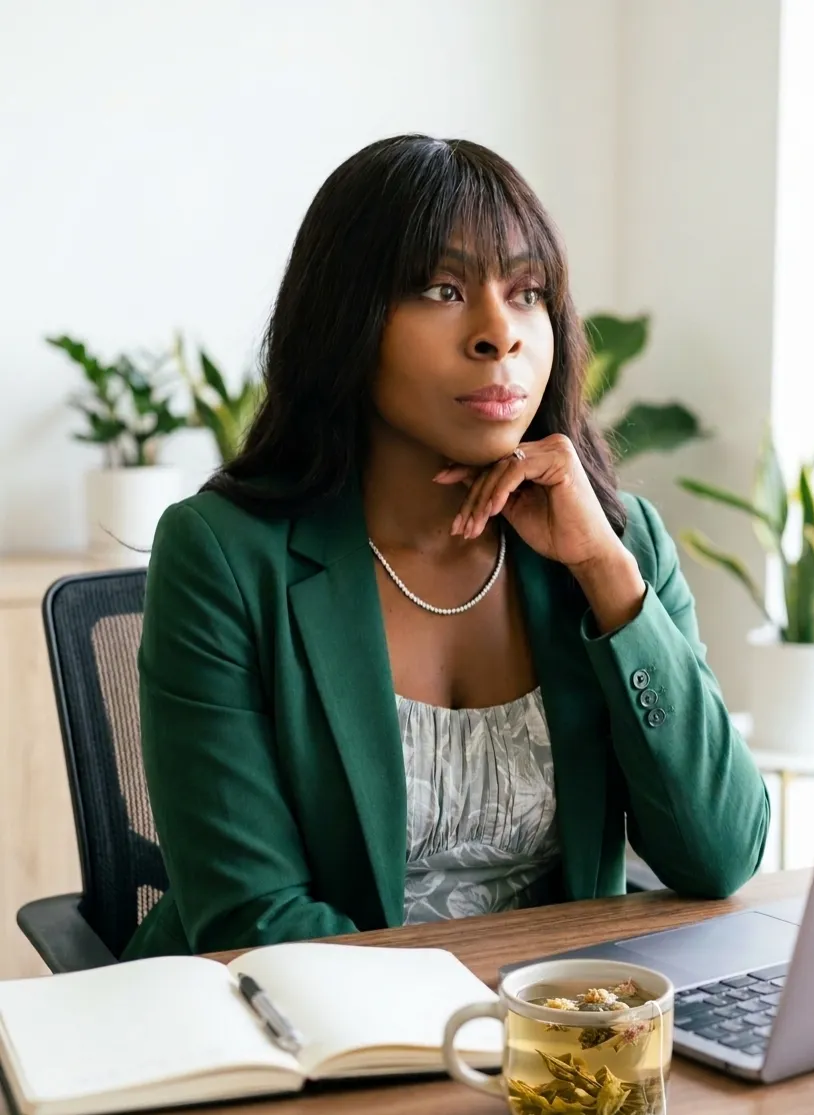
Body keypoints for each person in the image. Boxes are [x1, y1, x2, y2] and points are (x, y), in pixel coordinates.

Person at [122, 135, 770, 960]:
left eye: (528, 291)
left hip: (544, 1043)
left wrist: (607, 573)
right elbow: (256, 918)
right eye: (442, 288)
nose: (499, 333)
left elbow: (722, 855)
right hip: (312, 1042)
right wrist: (486, 1027)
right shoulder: (222, 556)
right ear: (346, 319)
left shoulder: (615, 540)